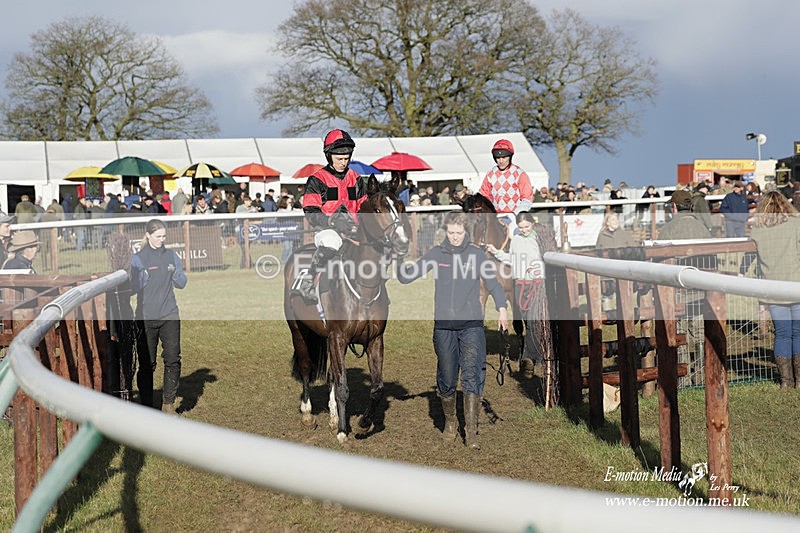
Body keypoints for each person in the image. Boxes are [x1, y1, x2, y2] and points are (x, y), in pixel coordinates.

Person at [397, 212, 509, 449]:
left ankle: (472, 431)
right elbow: (408, 277)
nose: (455, 237)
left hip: (471, 327)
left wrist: (502, 309)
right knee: (447, 378)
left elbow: (494, 284)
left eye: (459, 233)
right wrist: (398, 259)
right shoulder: (438, 254)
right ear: (445, 231)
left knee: (471, 375)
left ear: (465, 232)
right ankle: (450, 423)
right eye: (451, 232)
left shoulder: (477, 255)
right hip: (444, 327)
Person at [296, 129, 368, 303]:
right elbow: (311, 211)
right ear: (329, 156)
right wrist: (329, 220)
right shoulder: (317, 179)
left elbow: (363, 206)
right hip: (327, 230)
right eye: (339, 159)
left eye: (347, 158)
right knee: (332, 242)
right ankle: (308, 280)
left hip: (353, 230)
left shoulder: (356, 178)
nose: (344, 162)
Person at [130, 219, 187, 413]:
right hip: (146, 317)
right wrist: (140, 279)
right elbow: (132, 288)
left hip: (169, 314)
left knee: (173, 359)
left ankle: (168, 404)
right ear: (148, 235)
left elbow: (182, 283)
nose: (161, 240)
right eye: (158, 236)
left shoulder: (171, 255)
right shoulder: (138, 258)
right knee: (148, 364)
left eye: (164, 236)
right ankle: (146, 406)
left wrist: (176, 274)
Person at [749, 191, 800, 390]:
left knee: (782, 334)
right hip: (795, 286)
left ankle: (785, 382)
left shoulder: (757, 231)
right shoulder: (796, 225)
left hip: (772, 288)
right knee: (798, 333)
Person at [486, 212, 546, 378]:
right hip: (520, 285)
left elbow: (547, 259)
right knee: (527, 321)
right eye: (521, 227)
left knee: (534, 321)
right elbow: (512, 259)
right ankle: (537, 356)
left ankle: (527, 359)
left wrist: (539, 269)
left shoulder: (540, 240)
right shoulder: (517, 239)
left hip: (536, 284)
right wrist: (496, 252)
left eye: (527, 226)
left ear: (532, 224)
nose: (524, 230)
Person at [478, 139, 533, 221]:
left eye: (504, 157)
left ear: (510, 157)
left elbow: (527, 199)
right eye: (498, 158)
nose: (501, 161)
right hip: (495, 218)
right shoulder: (490, 174)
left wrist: (514, 214)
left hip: (514, 217)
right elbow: (483, 196)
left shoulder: (520, 174)